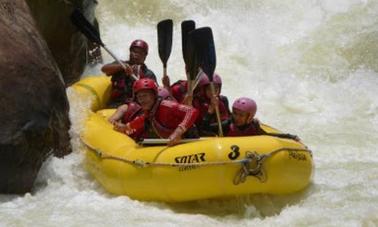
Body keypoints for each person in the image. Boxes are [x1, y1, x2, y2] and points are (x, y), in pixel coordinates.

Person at [113, 78, 199, 146]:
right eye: (139, 97)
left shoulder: (166, 105)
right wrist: (124, 128)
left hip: (189, 141)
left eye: (145, 96)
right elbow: (134, 125)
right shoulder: (148, 114)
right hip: (175, 146)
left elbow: (191, 111)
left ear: (154, 95)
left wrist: (178, 132)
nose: (142, 100)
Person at [101, 39, 157, 107]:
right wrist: (122, 67)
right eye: (134, 51)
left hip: (134, 107)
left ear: (145, 56)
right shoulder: (120, 64)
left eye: (140, 53)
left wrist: (136, 76)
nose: (136, 54)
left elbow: (153, 95)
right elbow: (104, 69)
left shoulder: (148, 74)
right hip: (114, 104)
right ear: (130, 52)